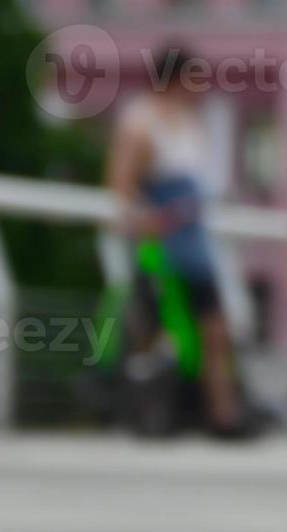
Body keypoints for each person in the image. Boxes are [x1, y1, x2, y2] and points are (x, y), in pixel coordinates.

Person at [107, 44, 249, 437]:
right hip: (161, 240)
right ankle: (148, 413)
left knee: (214, 329)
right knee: (155, 330)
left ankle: (222, 414)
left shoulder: (191, 124)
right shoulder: (140, 123)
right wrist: (144, 221)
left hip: (194, 240)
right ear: (175, 78)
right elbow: (120, 187)